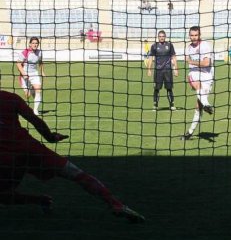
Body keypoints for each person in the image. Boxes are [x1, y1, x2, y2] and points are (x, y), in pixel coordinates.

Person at [0, 90, 145, 223]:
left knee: (3, 195)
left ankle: (40, 200)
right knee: (77, 174)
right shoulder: (10, 97)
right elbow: (34, 120)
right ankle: (116, 204)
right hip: (31, 149)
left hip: (5, 159)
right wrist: (50, 137)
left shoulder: (10, 98)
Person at [182, 26, 214, 140]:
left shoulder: (205, 45)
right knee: (196, 84)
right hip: (194, 73)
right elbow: (187, 60)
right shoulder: (188, 48)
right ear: (189, 35)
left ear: (199, 35)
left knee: (197, 106)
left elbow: (206, 63)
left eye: (196, 35)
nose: (194, 37)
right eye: (192, 35)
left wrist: (191, 61)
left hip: (207, 75)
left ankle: (190, 132)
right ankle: (207, 105)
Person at [147, 30, 178, 111]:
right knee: (156, 88)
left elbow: (174, 57)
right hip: (158, 71)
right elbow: (150, 58)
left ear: (165, 37)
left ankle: (172, 105)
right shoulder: (154, 46)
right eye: (160, 36)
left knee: (169, 88)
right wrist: (149, 69)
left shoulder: (170, 45)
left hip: (168, 70)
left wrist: (176, 69)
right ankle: (155, 105)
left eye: (163, 36)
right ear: (158, 37)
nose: (161, 38)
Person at [16, 37, 45, 115]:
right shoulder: (25, 52)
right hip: (25, 75)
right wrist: (23, 73)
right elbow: (18, 64)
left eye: (36, 43)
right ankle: (30, 90)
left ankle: (35, 110)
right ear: (30, 44)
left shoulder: (39, 52)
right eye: (33, 43)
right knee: (28, 95)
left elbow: (41, 62)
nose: (35, 45)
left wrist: (42, 71)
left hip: (34, 74)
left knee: (38, 90)